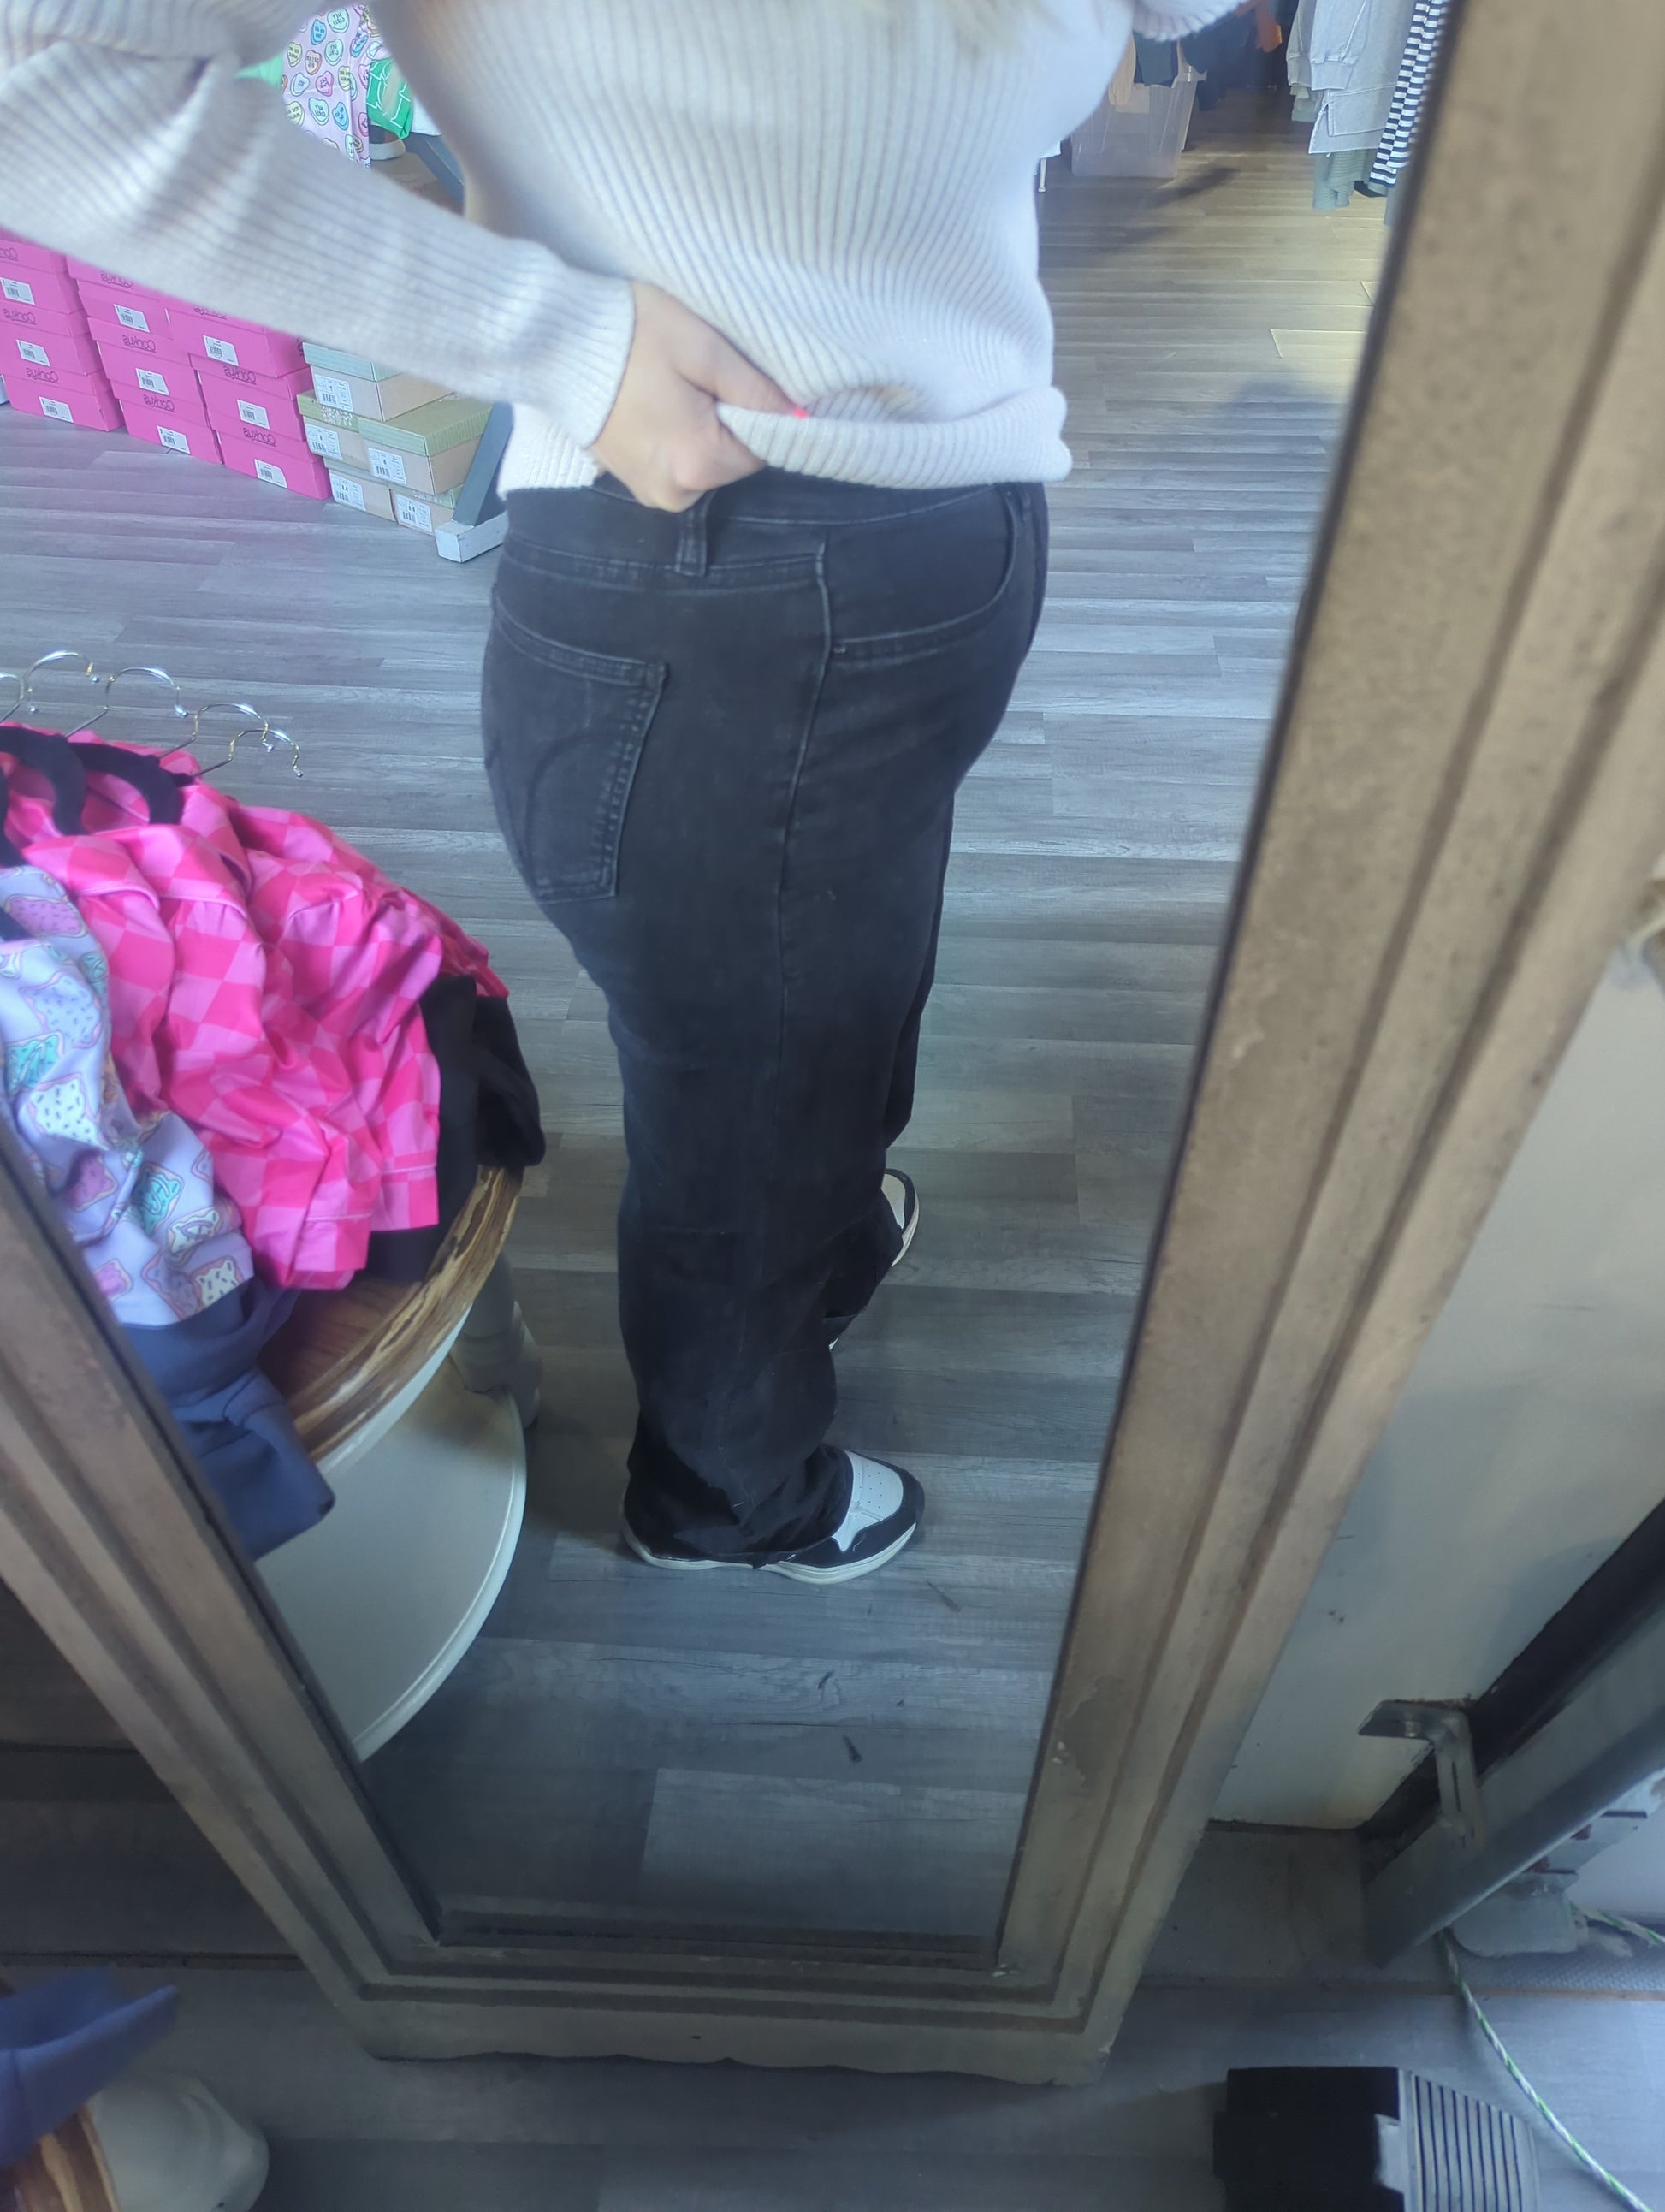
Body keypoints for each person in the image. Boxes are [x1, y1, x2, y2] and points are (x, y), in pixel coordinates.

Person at [0, 0, 1231, 1583]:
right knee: (744, 1120)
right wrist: (548, 337)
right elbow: (37, 68)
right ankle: (726, 1496)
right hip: (712, 581)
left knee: (846, 1015)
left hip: (909, 542)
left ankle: (822, 1244)